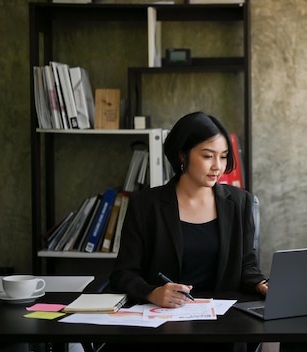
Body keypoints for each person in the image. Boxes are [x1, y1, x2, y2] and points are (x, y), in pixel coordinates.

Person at [107, 111, 268, 351]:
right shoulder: (146, 205)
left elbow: (246, 266)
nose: (218, 167)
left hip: (223, 327)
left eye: (223, 157)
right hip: (163, 327)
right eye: (207, 156)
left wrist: (261, 284)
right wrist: (152, 292)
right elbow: (123, 274)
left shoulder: (240, 203)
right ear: (183, 154)